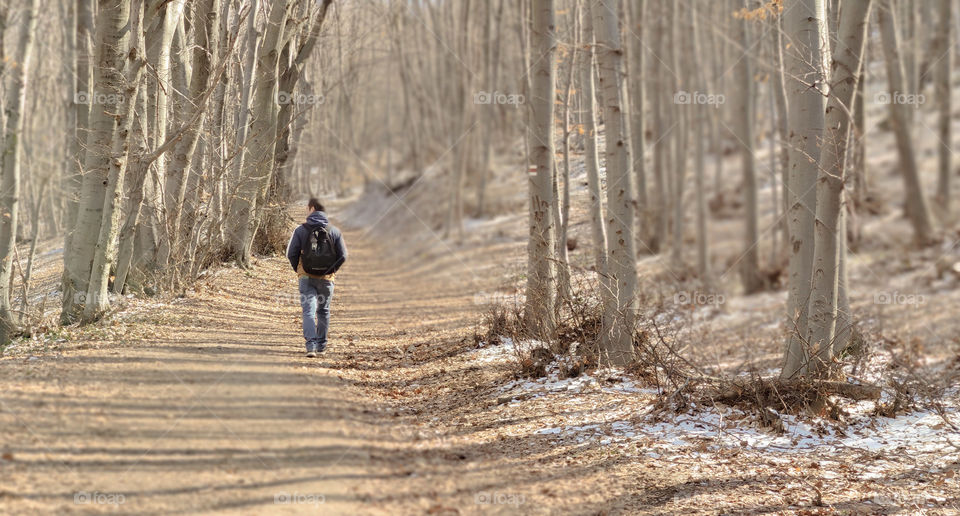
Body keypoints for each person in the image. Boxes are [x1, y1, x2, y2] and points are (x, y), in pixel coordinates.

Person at [286, 199, 347, 357]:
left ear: (312, 208)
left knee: (308, 312)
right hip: (327, 279)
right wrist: (331, 270)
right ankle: (321, 346)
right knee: (323, 311)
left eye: (308, 208)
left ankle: (311, 346)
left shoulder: (300, 230)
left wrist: (299, 270)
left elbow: (291, 253)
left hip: (306, 277)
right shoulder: (334, 231)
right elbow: (343, 255)